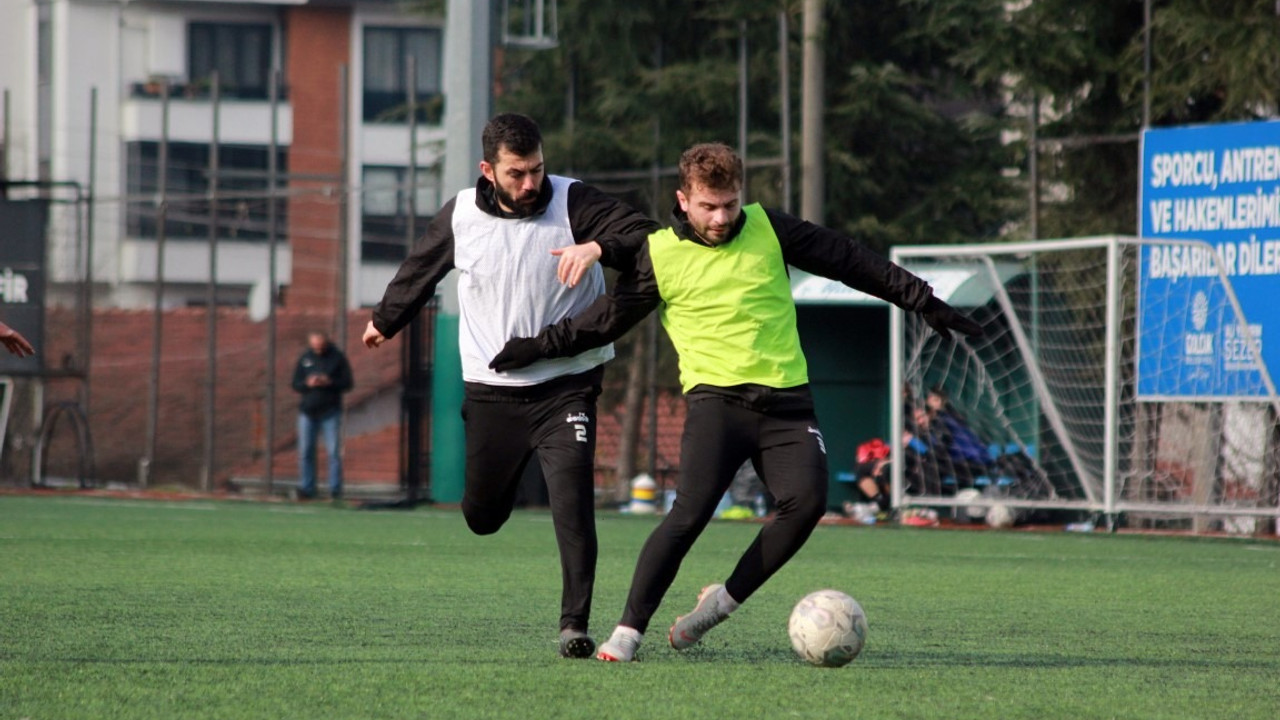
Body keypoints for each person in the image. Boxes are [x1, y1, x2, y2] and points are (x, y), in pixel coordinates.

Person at [489, 142, 981, 661]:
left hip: (788, 404)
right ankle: (629, 631)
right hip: (716, 404)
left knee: (807, 504)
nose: (722, 217)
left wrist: (922, 299)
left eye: (730, 204)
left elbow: (849, 260)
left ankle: (717, 605)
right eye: (709, 206)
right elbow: (601, 321)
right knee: (689, 515)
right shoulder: (660, 253)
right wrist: (533, 348)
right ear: (683, 200)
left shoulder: (770, 228)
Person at [361, 113, 658, 659]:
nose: (530, 184)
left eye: (538, 170)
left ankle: (574, 624)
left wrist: (596, 248)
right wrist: (385, 319)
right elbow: (420, 268)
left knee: (572, 501)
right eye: (518, 173)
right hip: (492, 392)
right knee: (482, 517)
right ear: (488, 171)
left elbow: (643, 234)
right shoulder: (462, 215)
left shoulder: (573, 201)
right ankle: (512, 472)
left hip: (566, 385)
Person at [291, 330, 354, 501]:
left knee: (333, 451)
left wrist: (330, 382)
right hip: (308, 412)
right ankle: (307, 488)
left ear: (325, 342)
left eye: (320, 344)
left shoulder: (337, 358)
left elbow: (348, 383)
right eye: (315, 345)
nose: (317, 347)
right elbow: (295, 383)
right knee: (306, 451)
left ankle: (335, 489)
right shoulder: (305, 358)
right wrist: (308, 383)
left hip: (330, 411)